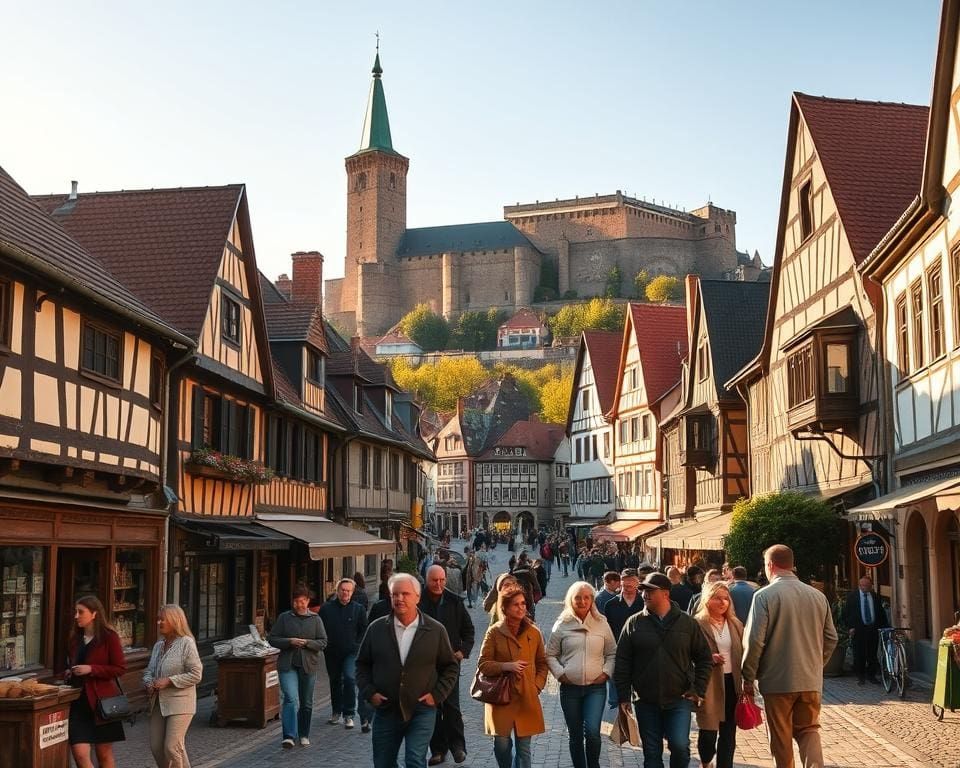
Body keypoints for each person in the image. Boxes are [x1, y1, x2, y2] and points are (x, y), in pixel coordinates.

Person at [741, 545, 838, 768]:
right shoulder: (817, 596)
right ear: (792, 565)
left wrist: (748, 676)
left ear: (770, 565)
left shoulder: (764, 596)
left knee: (781, 738)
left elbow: (755, 640)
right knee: (809, 730)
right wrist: (816, 664)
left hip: (777, 681)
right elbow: (831, 638)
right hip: (810, 680)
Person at [356, 573, 460, 768]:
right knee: (383, 762)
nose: (399, 598)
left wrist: (436, 695)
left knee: (414, 760)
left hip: (421, 709)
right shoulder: (376, 629)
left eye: (405, 594)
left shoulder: (435, 630)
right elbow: (361, 664)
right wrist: (370, 693)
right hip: (386, 709)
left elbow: (450, 666)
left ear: (417, 597)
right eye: (395, 594)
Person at [614, 572, 712, 768]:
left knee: (679, 745)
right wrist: (624, 697)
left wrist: (698, 689)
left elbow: (704, 658)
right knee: (651, 752)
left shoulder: (687, 623)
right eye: (643, 591)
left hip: (679, 698)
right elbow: (622, 662)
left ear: (666, 594)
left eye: (650, 591)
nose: (644, 595)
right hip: (645, 700)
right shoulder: (634, 623)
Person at [546, 582, 616, 768]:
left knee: (593, 731)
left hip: (596, 688)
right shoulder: (562, 624)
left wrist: (606, 673)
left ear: (592, 599)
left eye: (586, 597)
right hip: (570, 689)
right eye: (577, 597)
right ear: (571, 599)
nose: (582, 601)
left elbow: (612, 653)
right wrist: (560, 674)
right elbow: (550, 654)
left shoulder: (602, 623)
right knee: (575, 735)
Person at [478, 587, 548, 768]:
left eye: (523, 603)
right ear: (505, 608)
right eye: (515, 604)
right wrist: (505, 666)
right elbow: (483, 664)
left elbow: (542, 662)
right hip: (501, 697)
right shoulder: (494, 632)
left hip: (526, 696)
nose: (521, 608)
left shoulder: (534, 632)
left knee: (524, 750)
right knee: (501, 745)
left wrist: (537, 686)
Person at [421, 565, 475, 765]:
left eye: (442, 580)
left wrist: (462, 651)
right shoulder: (418, 601)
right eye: (435, 580)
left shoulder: (454, 602)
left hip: (450, 663)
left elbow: (468, 630)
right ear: (427, 580)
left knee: (451, 706)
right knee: (432, 706)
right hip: (425, 665)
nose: (439, 584)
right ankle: (438, 750)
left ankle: (457, 746)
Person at [66, 595, 127, 768]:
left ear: (94, 614)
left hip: (102, 704)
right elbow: (70, 664)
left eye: (80, 612)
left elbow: (119, 668)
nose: (76, 616)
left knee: (104, 756)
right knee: (80, 755)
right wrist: (69, 672)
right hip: (78, 704)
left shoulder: (109, 637)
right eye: (75, 612)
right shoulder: (74, 639)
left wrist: (91, 669)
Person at [143, 604, 203, 767]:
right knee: (157, 748)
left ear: (175, 621)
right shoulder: (158, 646)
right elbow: (149, 671)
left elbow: (196, 674)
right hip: (158, 703)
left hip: (180, 702)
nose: (159, 622)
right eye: (158, 619)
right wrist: (149, 682)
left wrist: (169, 680)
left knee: (172, 747)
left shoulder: (186, 643)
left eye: (163, 619)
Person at [270, 585, 329, 748]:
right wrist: (289, 641)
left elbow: (323, 642)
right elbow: (272, 638)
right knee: (290, 698)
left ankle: (304, 733)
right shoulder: (284, 618)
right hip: (287, 665)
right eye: (296, 601)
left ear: (308, 601)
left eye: (302, 601)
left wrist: (308, 643)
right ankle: (289, 735)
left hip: (308, 665)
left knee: (306, 702)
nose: (299, 605)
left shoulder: (316, 619)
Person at [693, 581, 744, 768]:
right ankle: (706, 762)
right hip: (710, 684)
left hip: (732, 682)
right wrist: (708, 657)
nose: (722, 602)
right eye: (717, 598)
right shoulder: (697, 623)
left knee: (729, 732)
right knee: (708, 731)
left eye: (725, 598)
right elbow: (687, 653)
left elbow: (745, 652)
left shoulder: (736, 624)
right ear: (707, 600)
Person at [319, 578, 368, 730]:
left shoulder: (358, 609)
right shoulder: (326, 608)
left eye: (348, 590)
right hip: (331, 652)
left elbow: (363, 630)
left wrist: (356, 645)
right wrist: (323, 644)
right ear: (337, 591)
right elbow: (319, 628)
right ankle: (336, 711)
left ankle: (349, 714)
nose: (345, 593)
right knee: (334, 681)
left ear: (352, 592)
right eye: (343, 590)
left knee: (349, 678)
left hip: (351, 652)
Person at [603, 568, 644, 708]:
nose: (626, 588)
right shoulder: (611, 604)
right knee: (618, 687)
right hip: (617, 651)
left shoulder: (644, 604)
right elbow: (606, 630)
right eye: (624, 585)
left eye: (630, 585)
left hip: (641, 651)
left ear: (637, 584)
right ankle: (617, 709)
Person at [842, 575, 888, 685]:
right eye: (862, 585)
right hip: (858, 629)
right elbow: (845, 614)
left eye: (866, 585)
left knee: (872, 653)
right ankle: (860, 677)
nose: (864, 588)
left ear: (871, 586)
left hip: (872, 629)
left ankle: (871, 676)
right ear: (859, 585)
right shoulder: (852, 597)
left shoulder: (875, 597)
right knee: (859, 654)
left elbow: (881, 613)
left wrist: (883, 626)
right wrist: (850, 627)